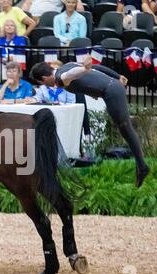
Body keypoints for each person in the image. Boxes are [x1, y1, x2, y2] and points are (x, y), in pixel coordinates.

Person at [30, 57, 150, 187]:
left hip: (111, 91)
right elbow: (96, 68)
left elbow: (70, 74)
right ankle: (141, 165)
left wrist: (84, 69)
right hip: (113, 87)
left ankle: (142, 167)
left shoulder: (60, 77)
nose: (44, 85)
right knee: (125, 128)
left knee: (125, 128)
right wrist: (117, 76)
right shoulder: (68, 64)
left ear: (43, 78)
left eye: (41, 83)